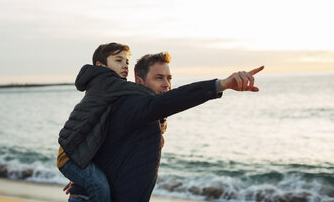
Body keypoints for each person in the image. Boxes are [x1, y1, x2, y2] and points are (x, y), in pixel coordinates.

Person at [67, 51, 264, 201]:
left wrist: (85, 175)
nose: (167, 85)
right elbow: (175, 99)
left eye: (169, 78)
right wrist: (221, 84)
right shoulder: (133, 105)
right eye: (159, 78)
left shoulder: (148, 114)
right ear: (139, 81)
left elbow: (107, 143)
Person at [57, 43, 155, 202]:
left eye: (127, 62)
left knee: (99, 185)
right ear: (100, 65)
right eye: (118, 60)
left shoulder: (108, 86)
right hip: (69, 156)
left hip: (75, 153)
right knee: (100, 187)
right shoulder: (106, 81)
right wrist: (160, 109)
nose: (125, 65)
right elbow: (143, 93)